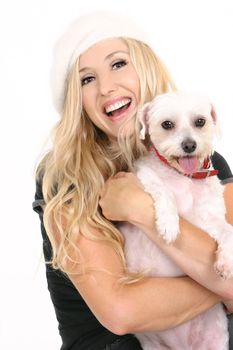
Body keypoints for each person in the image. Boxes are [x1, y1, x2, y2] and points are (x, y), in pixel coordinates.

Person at [33, 11, 233, 350]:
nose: (107, 87)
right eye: (86, 79)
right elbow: (122, 311)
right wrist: (222, 287)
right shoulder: (66, 177)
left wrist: (142, 210)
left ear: (145, 67)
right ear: (76, 100)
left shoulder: (204, 163)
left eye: (118, 64)